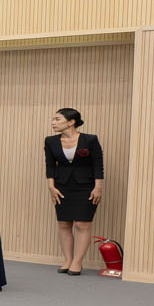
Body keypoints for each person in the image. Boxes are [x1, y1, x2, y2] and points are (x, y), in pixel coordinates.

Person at [45, 107, 105, 275]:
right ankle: (68, 260)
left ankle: (77, 261)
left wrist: (98, 187)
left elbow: (98, 165)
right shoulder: (50, 141)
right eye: (53, 119)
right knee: (64, 223)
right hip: (62, 186)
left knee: (82, 223)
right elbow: (50, 166)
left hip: (86, 186)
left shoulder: (90, 140)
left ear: (71, 122)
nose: (53, 123)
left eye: (57, 119)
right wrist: (51, 187)